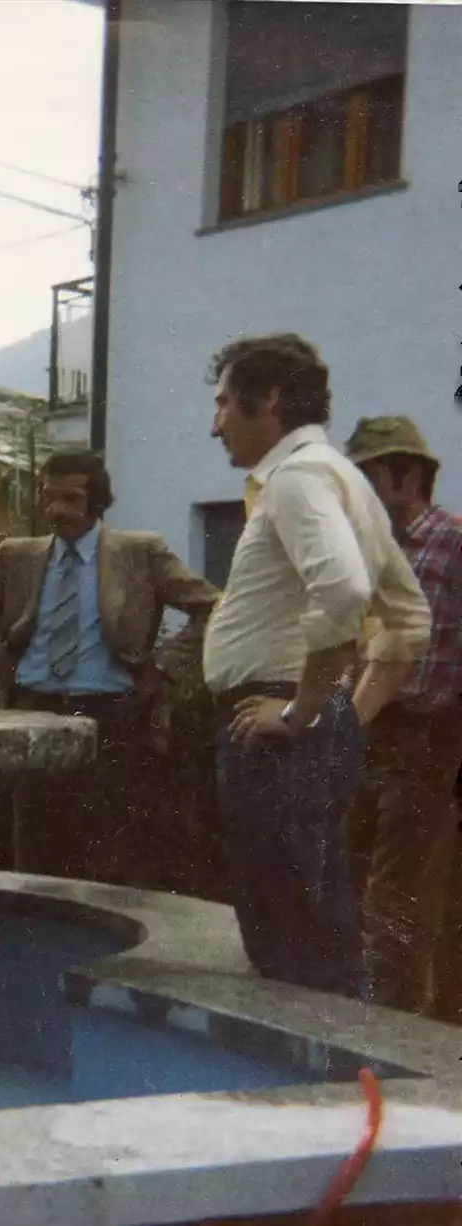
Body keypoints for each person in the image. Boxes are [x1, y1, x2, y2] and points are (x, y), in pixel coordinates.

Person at [203, 333, 430, 999]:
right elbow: (409, 616)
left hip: (270, 727)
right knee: (314, 926)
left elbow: (346, 592)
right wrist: (344, 718)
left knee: (289, 941)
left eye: (222, 403)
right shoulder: (343, 479)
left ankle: (312, 1096)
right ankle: (329, 1091)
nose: (213, 423)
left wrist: (305, 711)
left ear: (267, 398)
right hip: (292, 726)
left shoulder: (298, 479)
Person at [0, 449, 220, 883]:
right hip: (33, 713)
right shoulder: (17, 556)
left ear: (97, 502)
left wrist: (163, 667)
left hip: (112, 716)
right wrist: (0, 660)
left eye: (72, 499)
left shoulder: (138, 552)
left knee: (108, 850)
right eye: (48, 497)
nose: (57, 510)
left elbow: (211, 606)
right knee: (36, 850)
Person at [343, 415, 462, 1014]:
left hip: (427, 739)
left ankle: (392, 1042)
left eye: (368, 477)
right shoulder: (373, 553)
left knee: (400, 895)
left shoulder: (452, 539)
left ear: (407, 475)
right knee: (370, 884)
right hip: (370, 732)